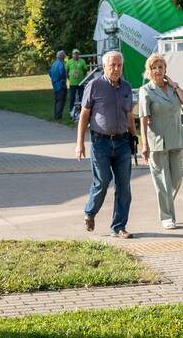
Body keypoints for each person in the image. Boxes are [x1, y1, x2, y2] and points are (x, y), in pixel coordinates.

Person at [75, 50, 135, 238]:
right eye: (112, 65)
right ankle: (90, 212)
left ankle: (119, 227)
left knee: (124, 186)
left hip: (123, 142)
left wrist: (134, 138)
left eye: (119, 65)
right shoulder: (94, 85)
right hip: (100, 142)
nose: (116, 69)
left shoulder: (126, 87)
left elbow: (129, 115)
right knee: (102, 181)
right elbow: (84, 115)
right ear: (104, 66)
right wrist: (80, 144)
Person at [138, 53, 183, 229]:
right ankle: (167, 217)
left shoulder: (172, 89)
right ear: (149, 71)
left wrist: (175, 86)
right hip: (157, 143)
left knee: (177, 178)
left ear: (165, 70)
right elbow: (143, 119)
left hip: (176, 140)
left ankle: (167, 203)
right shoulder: (146, 91)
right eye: (154, 68)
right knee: (162, 182)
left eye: (161, 67)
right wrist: (144, 144)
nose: (158, 70)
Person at [66, 49, 88, 118]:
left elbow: (85, 70)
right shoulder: (69, 62)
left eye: (77, 54)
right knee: (72, 97)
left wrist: (82, 76)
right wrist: (69, 78)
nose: (76, 55)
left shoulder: (82, 61)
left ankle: (82, 112)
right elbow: (66, 71)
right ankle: (71, 112)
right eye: (74, 54)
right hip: (72, 83)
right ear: (72, 55)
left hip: (80, 83)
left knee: (82, 97)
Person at [49, 50, 68, 120]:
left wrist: (54, 79)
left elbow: (50, 72)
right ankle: (59, 116)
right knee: (61, 100)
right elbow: (62, 72)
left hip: (54, 84)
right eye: (64, 56)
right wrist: (63, 78)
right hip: (61, 84)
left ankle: (56, 114)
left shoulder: (54, 63)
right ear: (62, 56)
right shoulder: (61, 64)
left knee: (57, 100)